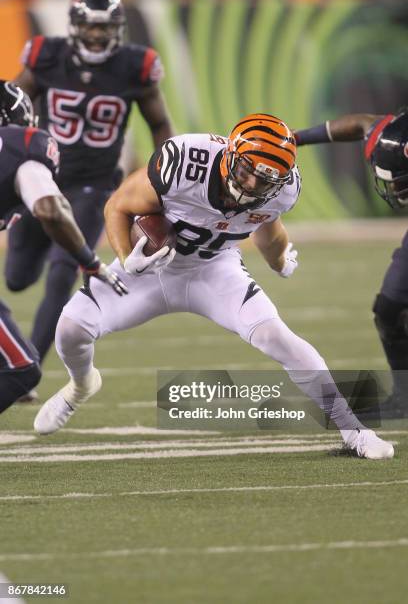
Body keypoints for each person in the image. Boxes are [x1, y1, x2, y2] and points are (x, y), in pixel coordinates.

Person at [33, 113, 394, 459]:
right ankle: (81, 385)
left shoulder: (283, 190)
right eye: (247, 172)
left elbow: (268, 229)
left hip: (214, 271)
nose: (252, 185)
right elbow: (117, 206)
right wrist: (127, 257)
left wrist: (280, 259)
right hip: (150, 270)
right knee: (69, 329)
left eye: (265, 181)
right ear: (230, 155)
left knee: (277, 337)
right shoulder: (184, 161)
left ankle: (354, 430)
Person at [6, 0, 173, 365]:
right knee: (16, 277)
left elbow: (159, 123)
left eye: (104, 27)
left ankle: (29, 364)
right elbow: (14, 103)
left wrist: (165, 174)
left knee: (64, 270)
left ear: (117, 28)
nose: (97, 35)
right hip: (44, 176)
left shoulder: (134, 66)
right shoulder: (47, 57)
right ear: (75, 26)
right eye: (90, 26)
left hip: (94, 183)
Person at [0, 80, 127, 415]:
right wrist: (90, 261)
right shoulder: (24, 147)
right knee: (21, 370)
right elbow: (48, 208)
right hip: (81, 192)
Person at [295, 111, 408, 417]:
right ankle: (404, 396)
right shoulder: (395, 132)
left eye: (400, 181)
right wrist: (296, 138)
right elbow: (362, 123)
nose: (395, 190)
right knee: (389, 309)